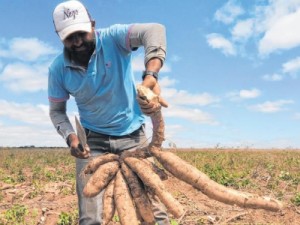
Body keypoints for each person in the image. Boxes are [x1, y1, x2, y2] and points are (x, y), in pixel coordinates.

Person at [48, 0, 169, 224]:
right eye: (68, 37)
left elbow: (154, 30)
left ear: (92, 25)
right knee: (90, 216)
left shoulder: (114, 38)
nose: (76, 42)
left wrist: (151, 74)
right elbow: (57, 112)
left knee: (154, 211)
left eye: (81, 33)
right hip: (92, 145)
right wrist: (71, 138)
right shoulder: (57, 69)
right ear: (59, 36)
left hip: (134, 138)